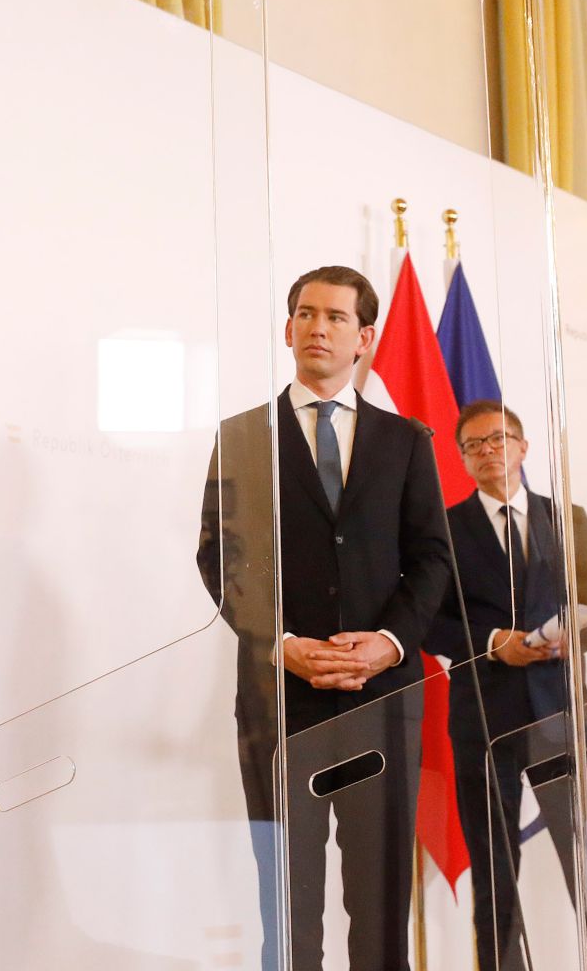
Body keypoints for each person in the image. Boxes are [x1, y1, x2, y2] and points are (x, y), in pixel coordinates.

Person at [197, 264, 453, 971]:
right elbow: (220, 556)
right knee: (288, 903)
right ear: (288, 330)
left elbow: (432, 558)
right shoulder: (243, 435)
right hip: (281, 700)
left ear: (364, 338)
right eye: (306, 314)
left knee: (379, 906)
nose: (319, 327)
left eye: (337, 317)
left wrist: (389, 643)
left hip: (382, 698)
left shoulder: (407, 440)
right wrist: (279, 642)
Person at [425, 401, 587, 971]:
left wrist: (572, 638)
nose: (489, 451)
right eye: (474, 445)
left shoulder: (566, 518)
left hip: (559, 716)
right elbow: (428, 622)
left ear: (523, 447)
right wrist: (493, 641)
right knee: (495, 879)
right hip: (483, 723)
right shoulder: (444, 528)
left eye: (499, 439)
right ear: (463, 459)